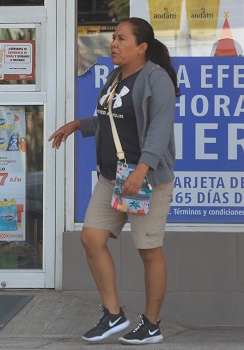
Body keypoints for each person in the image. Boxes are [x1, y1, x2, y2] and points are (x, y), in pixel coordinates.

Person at [49, 17, 179, 345]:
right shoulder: (116, 76)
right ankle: (113, 314)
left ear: (142, 47)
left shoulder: (156, 79)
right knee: (92, 239)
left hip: (143, 179)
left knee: (148, 251)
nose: (114, 44)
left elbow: (159, 130)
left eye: (122, 39)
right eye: (114, 38)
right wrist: (78, 125)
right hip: (114, 177)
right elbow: (111, 119)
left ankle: (151, 324)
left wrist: (141, 171)